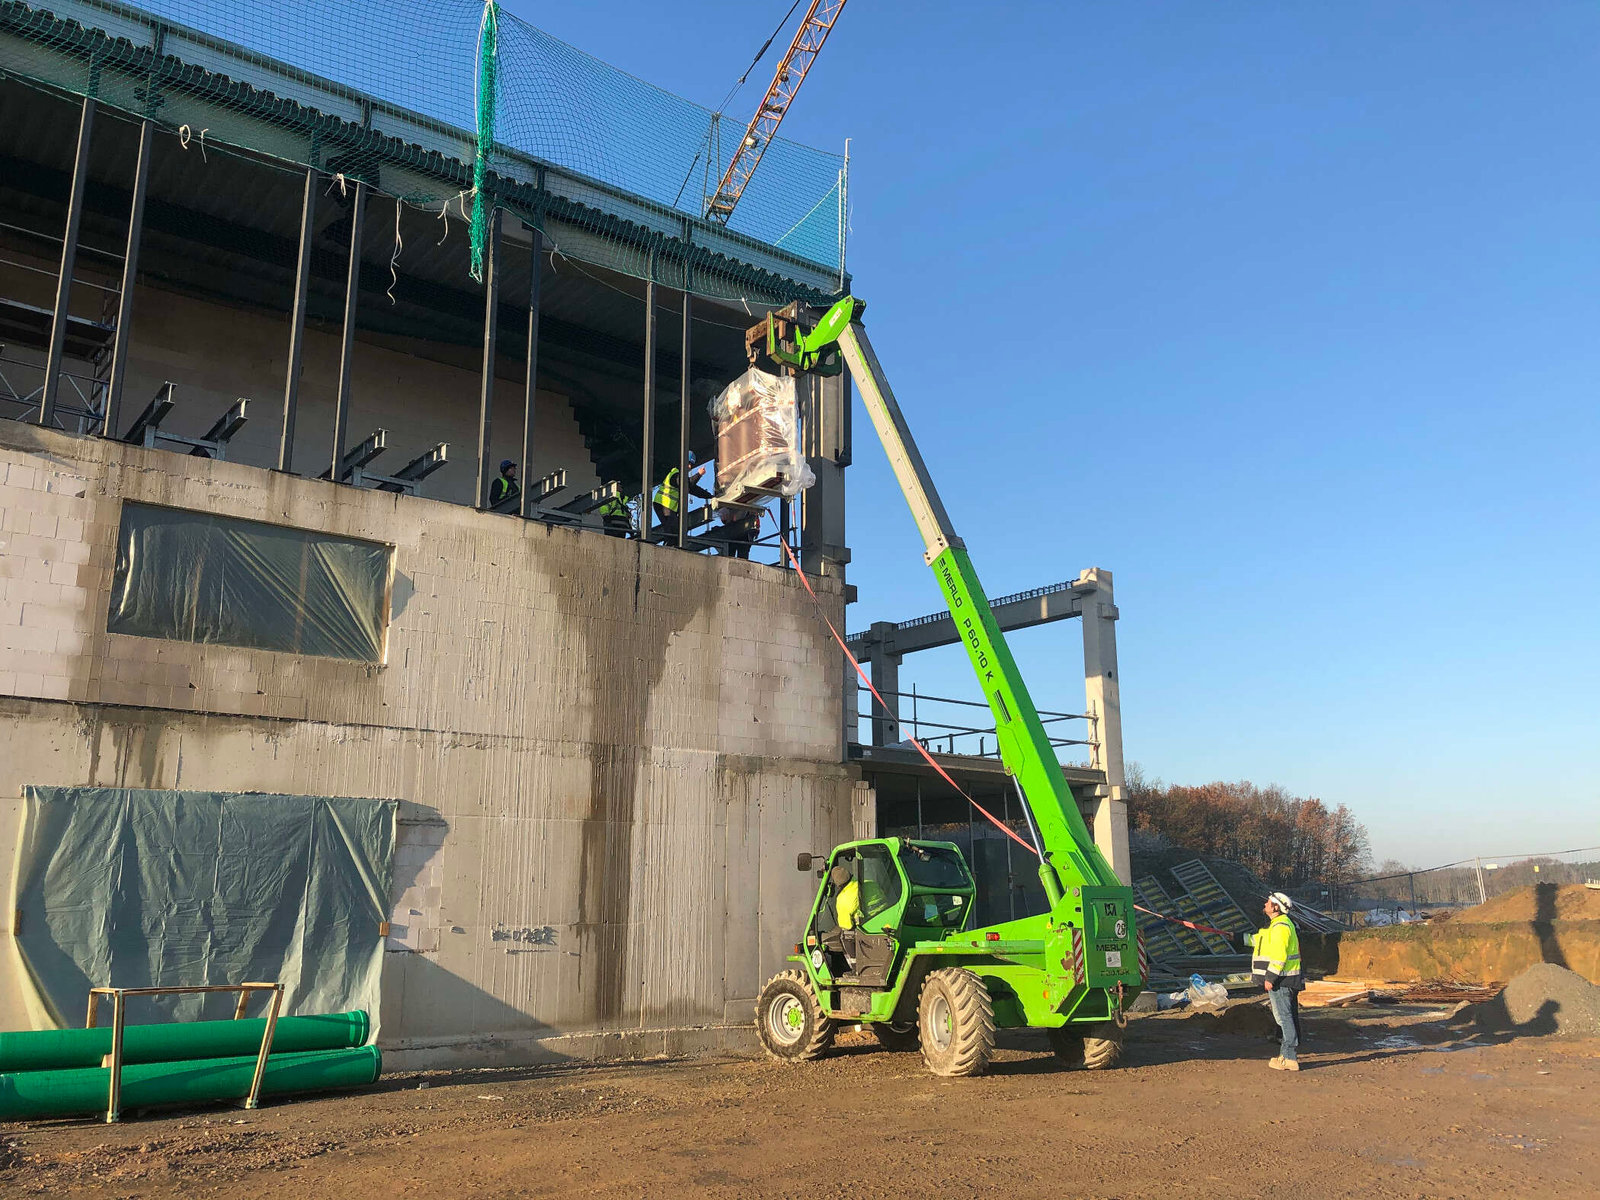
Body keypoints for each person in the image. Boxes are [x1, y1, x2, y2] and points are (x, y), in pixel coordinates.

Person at [1252, 891, 1304, 1071]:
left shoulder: (1280, 927)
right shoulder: (1278, 925)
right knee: (1286, 1017)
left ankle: (1289, 1057)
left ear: (1275, 907)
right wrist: (1234, 937)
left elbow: (1279, 956)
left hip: (1282, 980)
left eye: (1268, 902)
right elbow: (1258, 941)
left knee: (1284, 1018)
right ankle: (1287, 1054)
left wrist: (1270, 978)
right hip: (1286, 979)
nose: (1265, 904)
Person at [651, 453, 714, 539]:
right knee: (673, 528)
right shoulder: (675, 474)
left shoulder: (682, 478)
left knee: (676, 529)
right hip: (663, 504)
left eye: (691, 464)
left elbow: (694, 489)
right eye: (688, 463)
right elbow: (686, 484)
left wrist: (710, 496)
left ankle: (671, 545)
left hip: (667, 506)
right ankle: (670, 546)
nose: (689, 466)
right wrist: (698, 474)